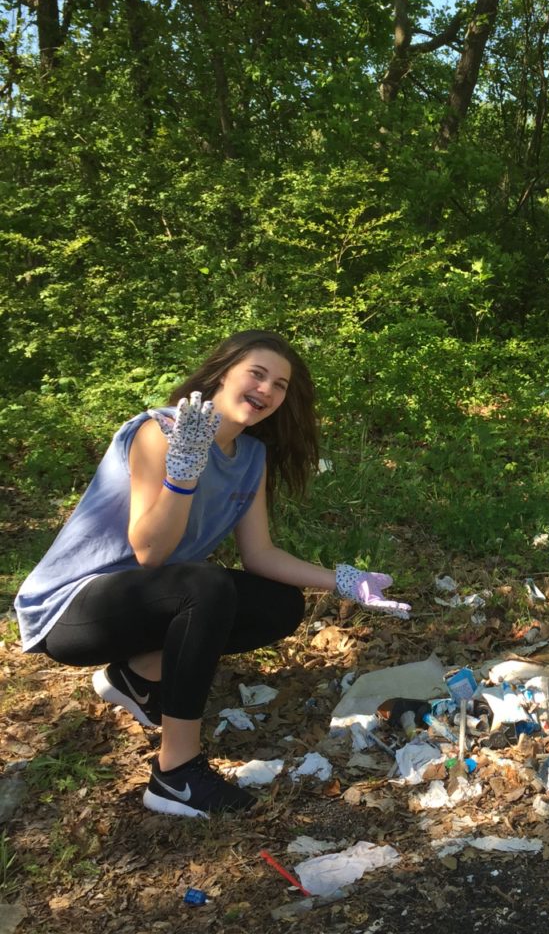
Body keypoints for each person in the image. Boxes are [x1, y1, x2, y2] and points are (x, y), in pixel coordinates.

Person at [14, 330, 411, 817]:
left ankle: (137, 677)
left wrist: (347, 581)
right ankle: (176, 774)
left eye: (280, 385)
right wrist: (183, 470)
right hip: (73, 608)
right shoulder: (158, 432)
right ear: (223, 374)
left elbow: (260, 555)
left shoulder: (251, 457)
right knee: (205, 586)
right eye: (257, 374)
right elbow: (149, 552)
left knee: (279, 604)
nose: (267, 390)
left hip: (149, 598)